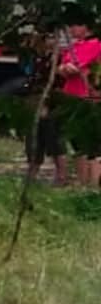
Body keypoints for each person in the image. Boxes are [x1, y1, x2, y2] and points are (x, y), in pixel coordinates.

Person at [56, 24, 101, 188]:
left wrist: (71, 68)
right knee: (77, 143)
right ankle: (83, 184)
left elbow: (77, 67)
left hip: (88, 98)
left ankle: (94, 185)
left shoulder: (95, 44)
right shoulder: (74, 46)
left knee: (92, 145)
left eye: (76, 25)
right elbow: (62, 67)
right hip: (72, 97)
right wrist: (65, 68)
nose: (71, 29)